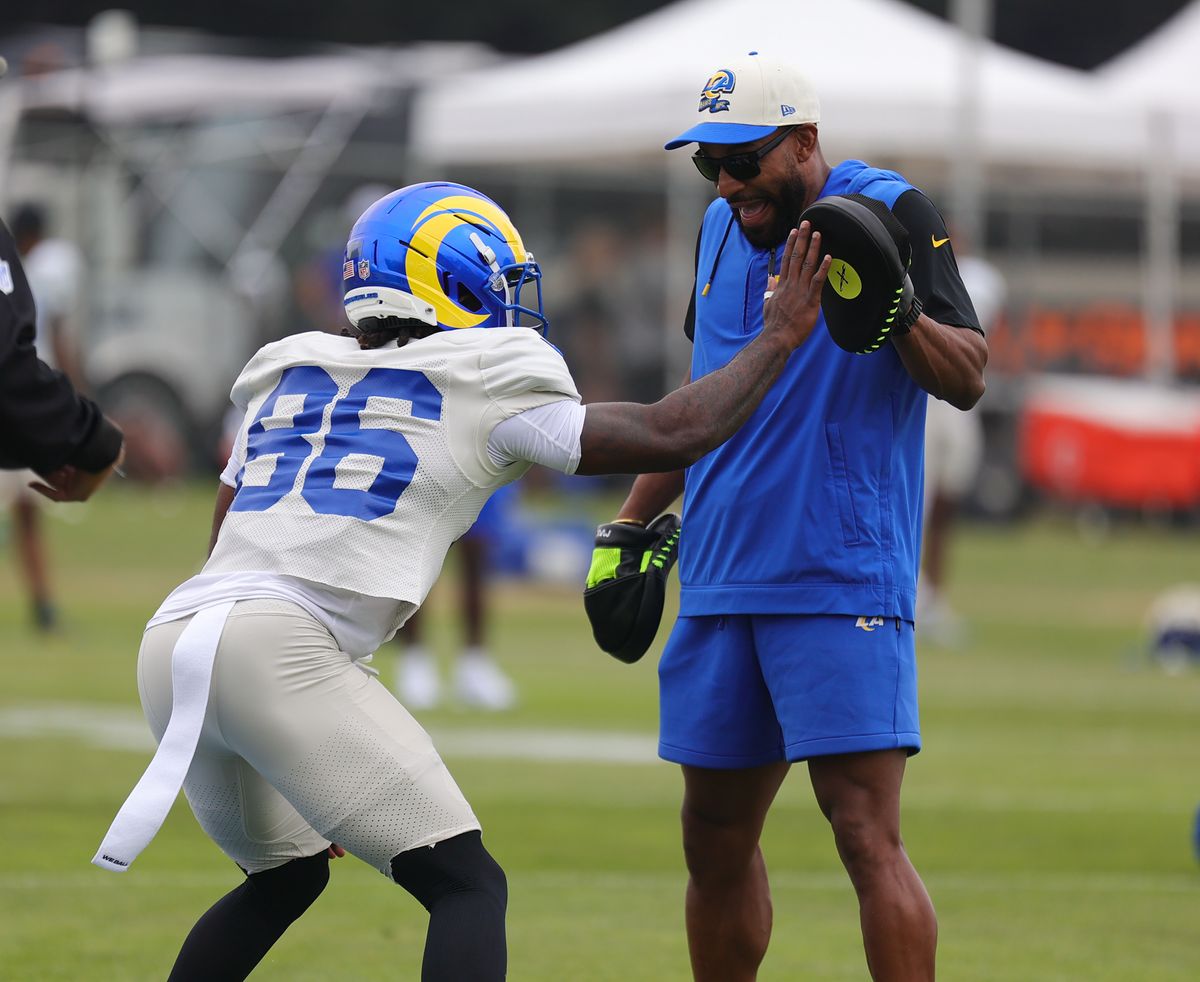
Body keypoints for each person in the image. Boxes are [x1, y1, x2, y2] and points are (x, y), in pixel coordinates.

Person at [91, 180, 831, 981]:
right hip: (281, 652)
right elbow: (673, 431)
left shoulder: (289, 367)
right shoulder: (486, 373)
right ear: (449, 279)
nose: (511, 300)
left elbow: (228, 524)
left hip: (177, 637)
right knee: (469, 887)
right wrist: (780, 336)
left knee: (285, 877)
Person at [607, 53, 987, 981]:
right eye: (711, 165)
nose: (729, 183)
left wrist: (898, 315)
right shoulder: (716, 229)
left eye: (745, 160)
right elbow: (705, 396)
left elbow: (971, 375)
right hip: (723, 572)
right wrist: (627, 529)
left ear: (805, 142)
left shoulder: (890, 208)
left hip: (837, 572)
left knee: (864, 833)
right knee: (713, 840)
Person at [0, 204, 86, 631]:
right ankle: (44, 608)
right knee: (26, 510)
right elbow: (59, 337)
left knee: (24, 508)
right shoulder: (46, 275)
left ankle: (43, 608)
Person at [918, 235, 1005, 646]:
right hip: (926, 399)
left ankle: (934, 596)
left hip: (961, 399)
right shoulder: (918, 270)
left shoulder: (982, 278)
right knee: (919, 499)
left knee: (947, 500)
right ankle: (913, 596)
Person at [0, 216, 123, 503]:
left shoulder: (37, 264)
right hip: (31, 389)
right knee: (25, 507)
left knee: (23, 510)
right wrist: (90, 437)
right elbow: (52, 338)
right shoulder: (55, 265)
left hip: (31, 390)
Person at [393, 483, 519, 711]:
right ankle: (415, 660)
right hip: (429, 462)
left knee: (476, 557)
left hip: (484, 460)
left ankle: (474, 664)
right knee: (418, 554)